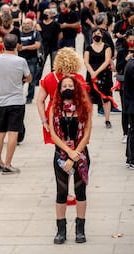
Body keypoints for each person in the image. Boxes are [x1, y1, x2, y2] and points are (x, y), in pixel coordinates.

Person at [49, 75, 92, 244]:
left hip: (80, 155)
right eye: (64, 85)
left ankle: (80, 229)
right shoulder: (55, 108)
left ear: (76, 88)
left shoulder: (84, 108)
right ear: (59, 90)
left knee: (80, 192)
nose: (67, 88)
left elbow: (87, 133)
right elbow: (53, 134)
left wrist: (75, 155)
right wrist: (68, 151)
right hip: (61, 154)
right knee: (61, 192)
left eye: (70, 85)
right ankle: (61, 229)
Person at [0, 34, 31, 174]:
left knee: (0, 132)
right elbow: (29, 77)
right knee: (13, 132)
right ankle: (8, 164)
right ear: (16, 46)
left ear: (3, 45)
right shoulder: (20, 61)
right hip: (16, 101)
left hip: (0, 100)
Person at [37, 47, 89, 145]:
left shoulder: (49, 77)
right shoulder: (78, 78)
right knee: (75, 140)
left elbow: (40, 101)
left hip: (54, 110)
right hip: (74, 113)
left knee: (57, 141)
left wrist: (44, 120)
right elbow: (84, 100)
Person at [84, 28, 113, 128]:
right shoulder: (88, 48)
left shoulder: (106, 47)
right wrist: (92, 72)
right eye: (95, 34)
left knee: (105, 97)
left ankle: (107, 119)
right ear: (92, 36)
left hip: (104, 74)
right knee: (90, 97)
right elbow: (86, 62)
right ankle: (88, 119)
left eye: (99, 34)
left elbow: (107, 61)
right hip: (91, 75)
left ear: (102, 35)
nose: (97, 35)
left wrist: (96, 72)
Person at [116, 30, 134, 143]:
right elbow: (118, 68)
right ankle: (125, 132)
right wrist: (126, 60)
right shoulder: (122, 52)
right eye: (130, 40)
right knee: (126, 109)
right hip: (125, 83)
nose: (132, 42)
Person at [19, 18, 42, 104]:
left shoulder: (36, 33)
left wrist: (25, 47)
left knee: (31, 80)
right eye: (24, 23)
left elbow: (37, 45)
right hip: (20, 60)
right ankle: (18, 96)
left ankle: (29, 97)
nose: (26, 25)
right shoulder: (19, 34)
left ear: (32, 25)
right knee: (19, 79)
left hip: (32, 59)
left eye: (28, 23)